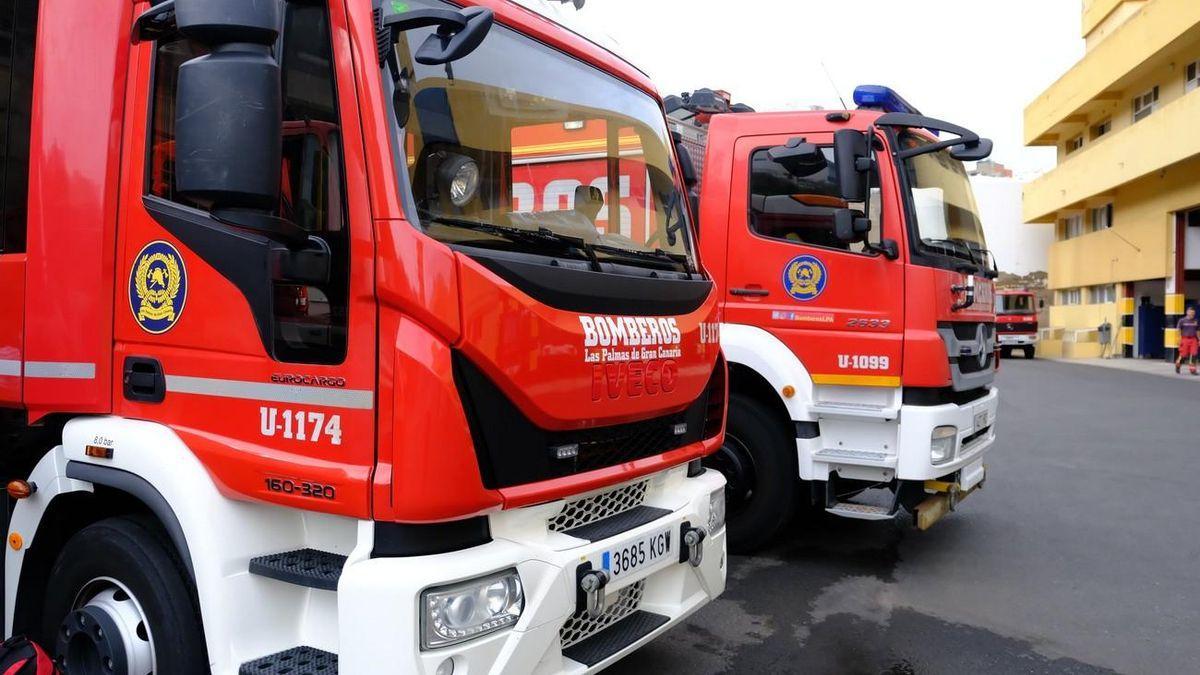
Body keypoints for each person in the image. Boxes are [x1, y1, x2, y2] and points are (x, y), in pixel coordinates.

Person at [1176, 305, 1199, 375]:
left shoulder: (1196, 321)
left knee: (1194, 354)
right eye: (1191, 313)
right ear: (1187, 312)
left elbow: (1198, 331)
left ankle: (1193, 370)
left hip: (1193, 339)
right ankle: (1178, 365)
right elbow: (1178, 330)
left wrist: (1199, 339)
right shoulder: (1182, 320)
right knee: (1183, 355)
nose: (1192, 314)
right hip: (1185, 339)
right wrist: (1178, 339)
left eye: (1193, 313)